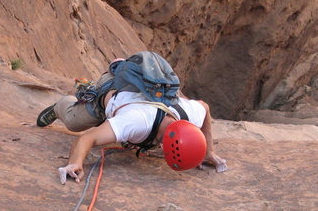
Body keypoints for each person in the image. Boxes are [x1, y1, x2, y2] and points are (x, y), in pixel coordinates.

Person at [36, 53, 228, 184]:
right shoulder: (137, 122)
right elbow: (87, 138)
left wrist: (208, 151)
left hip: (141, 94)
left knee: (118, 130)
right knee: (74, 122)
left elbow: (205, 108)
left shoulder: (192, 114)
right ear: (163, 145)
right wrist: (76, 162)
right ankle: (61, 105)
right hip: (111, 90)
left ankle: (125, 67)